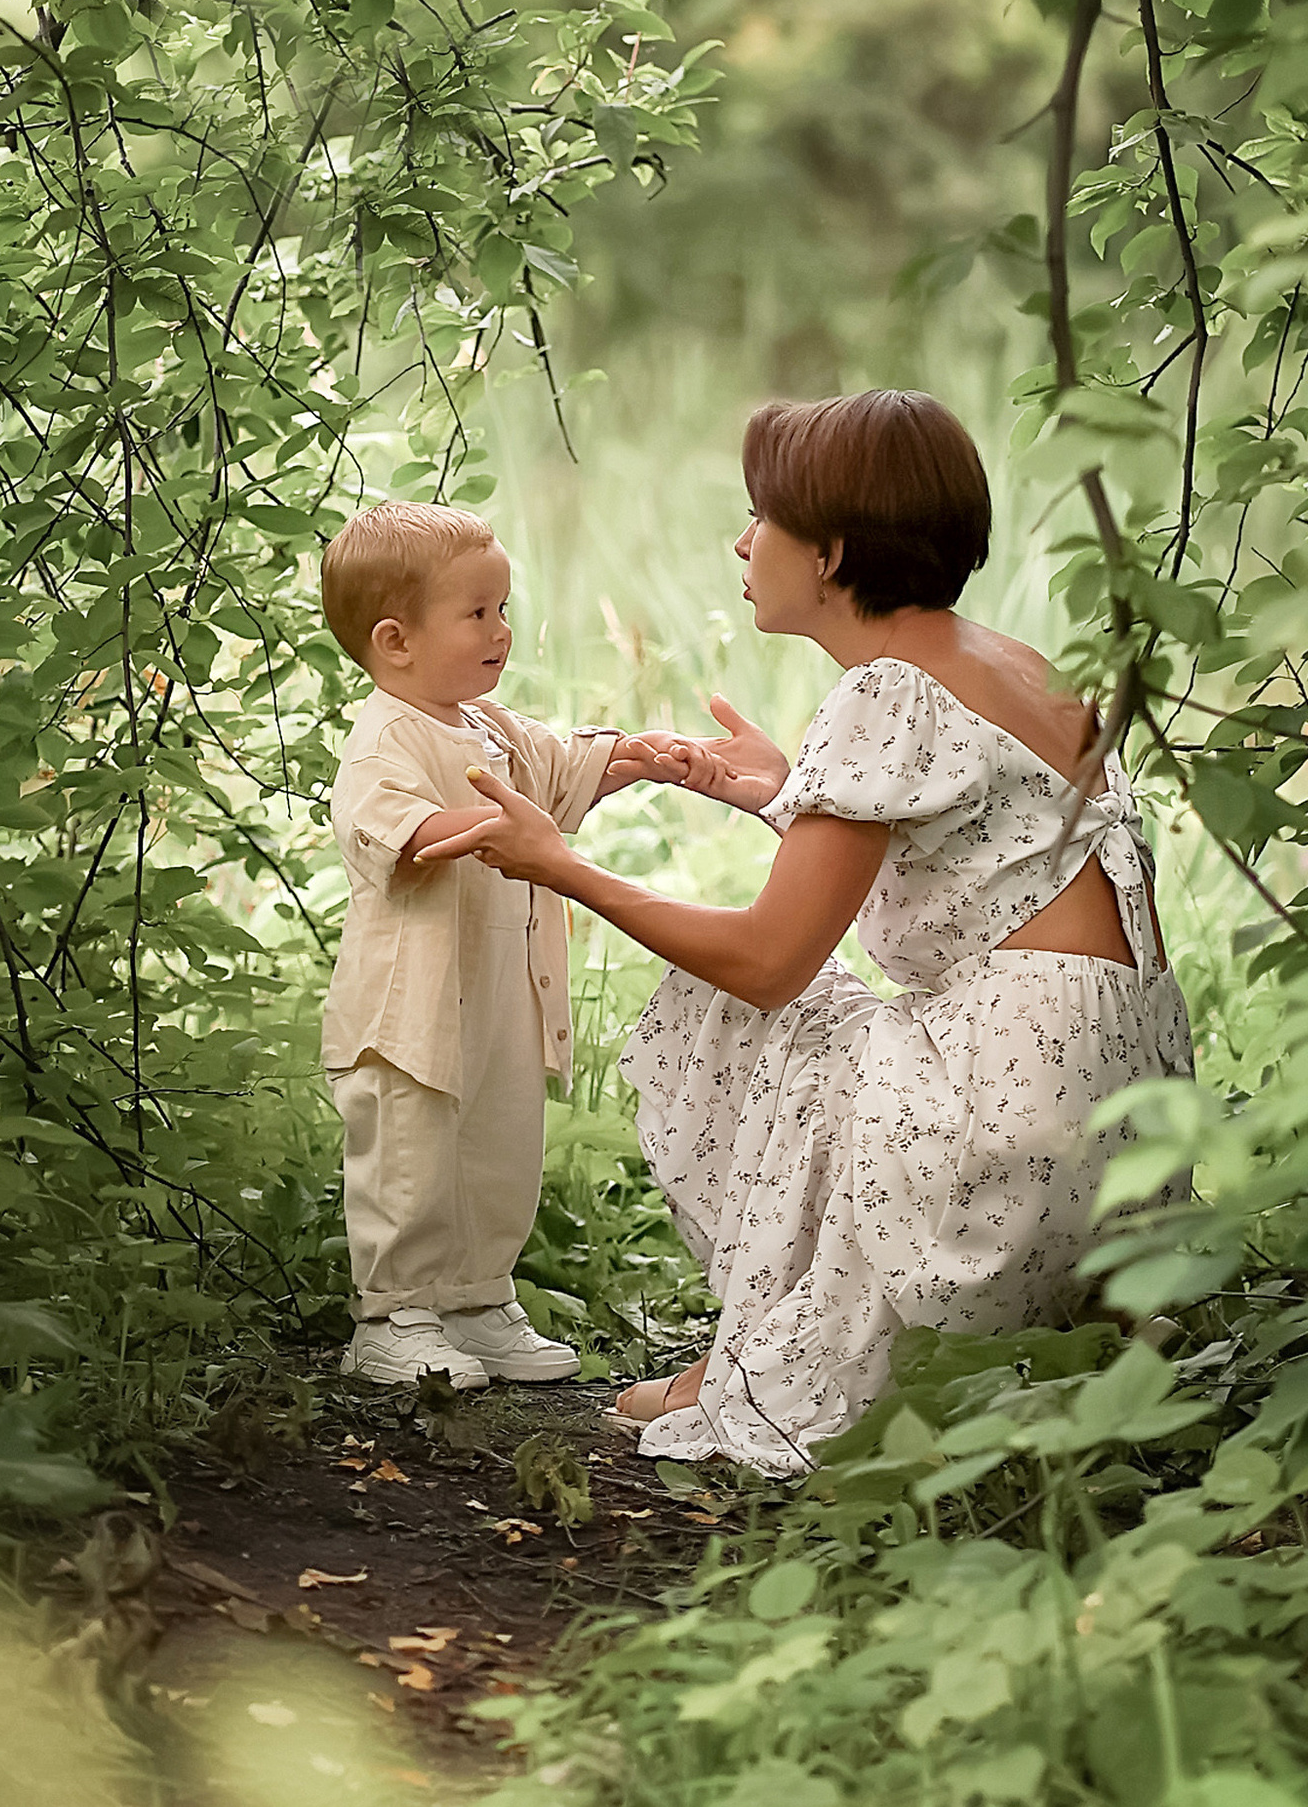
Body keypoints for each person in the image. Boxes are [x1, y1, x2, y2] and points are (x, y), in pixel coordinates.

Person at [450, 391, 1194, 1474]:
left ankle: (753, 1359)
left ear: (832, 552)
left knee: (742, 1003)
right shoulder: (1015, 664)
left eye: (764, 519)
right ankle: (1004, 1340)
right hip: (1122, 1142)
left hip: (1003, 1144)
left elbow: (765, 962)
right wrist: (787, 795)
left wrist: (561, 866)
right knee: (856, 1027)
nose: (742, 542)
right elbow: (993, 866)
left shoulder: (882, 691)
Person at [317, 499, 673, 1392]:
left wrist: (641, 755)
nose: (501, 631)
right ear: (396, 642)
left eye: (503, 609)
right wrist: (471, 826)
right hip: (412, 1006)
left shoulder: (489, 728)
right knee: (412, 1148)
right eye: (477, 614)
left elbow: (559, 767)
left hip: (499, 993)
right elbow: (391, 828)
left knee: (496, 1143)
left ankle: (477, 1299)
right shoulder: (383, 740)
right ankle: (395, 1313)